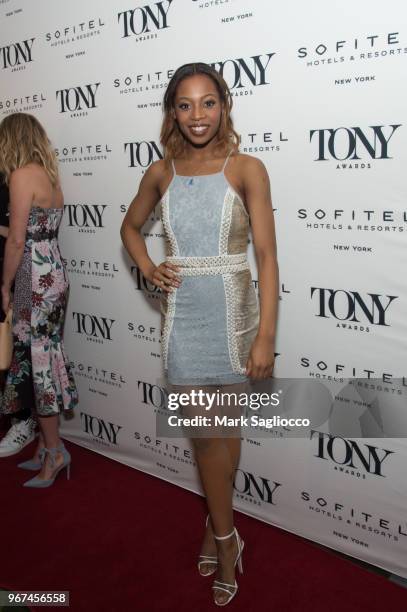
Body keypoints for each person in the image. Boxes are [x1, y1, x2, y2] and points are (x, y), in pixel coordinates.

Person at [121, 62, 278, 606]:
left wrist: (266, 339)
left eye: (207, 102)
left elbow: (267, 256)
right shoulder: (161, 172)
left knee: (224, 441)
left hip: (236, 321)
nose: (197, 115)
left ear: (224, 106)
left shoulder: (247, 169)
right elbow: (129, 226)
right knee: (208, 439)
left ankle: (216, 528)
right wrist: (147, 264)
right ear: (172, 112)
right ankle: (229, 539)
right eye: (184, 105)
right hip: (184, 322)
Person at [0, 112, 78, 487]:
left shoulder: (19, 175)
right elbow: (33, 229)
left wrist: (4, 284)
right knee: (40, 360)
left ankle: (56, 451)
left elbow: (17, 241)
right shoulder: (49, 178)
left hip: (32, 278)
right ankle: (45, 449)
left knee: (39, 365)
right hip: (53, 273)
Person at [0, 172, 38, 457]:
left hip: (11, 274)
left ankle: (23, 419)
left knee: (15, 353)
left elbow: (16, 234)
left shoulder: (11, 180)